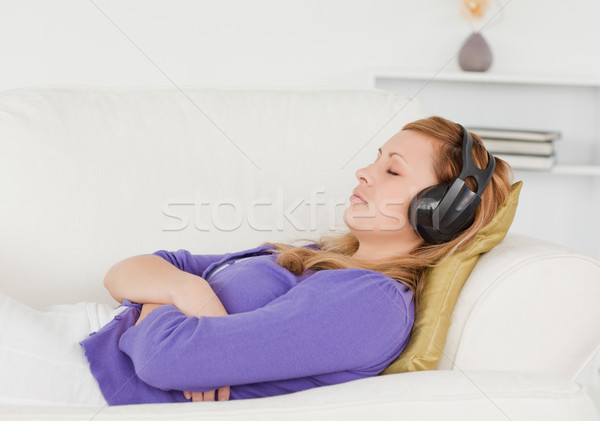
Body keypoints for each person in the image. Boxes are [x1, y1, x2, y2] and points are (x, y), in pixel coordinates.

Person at [0, 116, 513, 407]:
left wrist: (160, 299)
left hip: (87, 377)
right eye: (375, 158)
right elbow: (129, 271)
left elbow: (169, 361)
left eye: (391, 171)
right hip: (79, 335)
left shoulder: (370, 305)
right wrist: (187, 293)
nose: (362, 172)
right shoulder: (316, 255)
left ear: (437, 213)